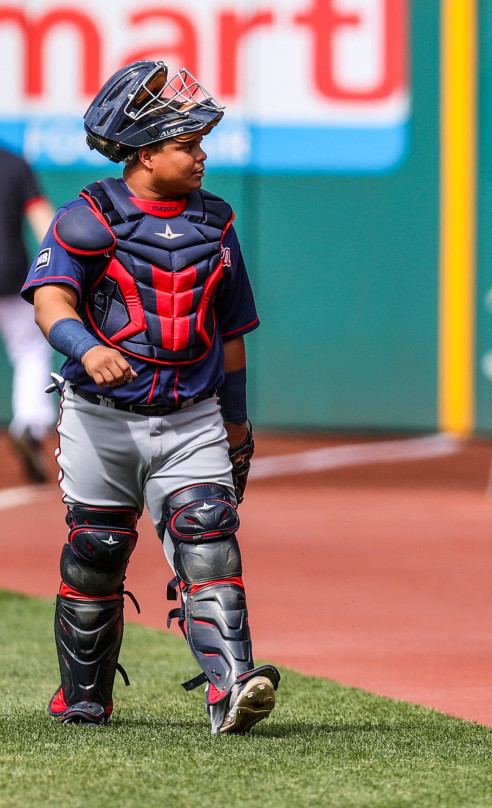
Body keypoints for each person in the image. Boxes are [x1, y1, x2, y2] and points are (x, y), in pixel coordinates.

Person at [22, 61, 279, 734]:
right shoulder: (89, 216)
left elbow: (231, 336)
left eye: (200, 144)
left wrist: (236, 421)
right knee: (98, 547)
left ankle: (232, 687)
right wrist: (85, 346)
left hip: (191, 414)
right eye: (187, 145)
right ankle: (84, 694)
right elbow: (51, 301)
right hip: (99, 417)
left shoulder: (217, 224)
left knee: (208, 537)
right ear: (144, 153)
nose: (201, 156)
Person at [0, 144, 55, 483]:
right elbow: (43, 221)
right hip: (9, 274)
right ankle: (29, 426)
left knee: (30, 350)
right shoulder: (14, 163)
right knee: (31, 352)